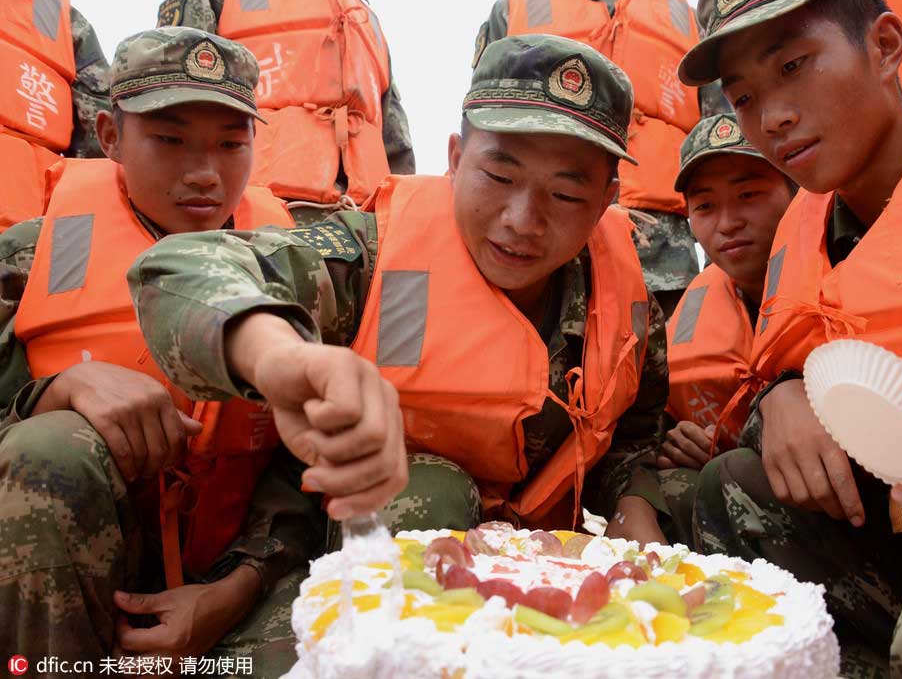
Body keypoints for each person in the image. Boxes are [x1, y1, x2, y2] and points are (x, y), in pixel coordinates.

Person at [129, 34, 674, 547]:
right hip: (370, 560)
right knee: (429, 490)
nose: (521, 221)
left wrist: (636, 510)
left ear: (606, 200)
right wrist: (279, 358)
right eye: (500, 178)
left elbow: (632, 437)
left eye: (565, 195)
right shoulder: (369, 257)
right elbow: (180, 268)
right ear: (455, 160)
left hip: (545, 564)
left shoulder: (624, 305)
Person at [0, 28, 406, 678]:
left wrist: (235, 588)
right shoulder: (28, 257)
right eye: (170, 140)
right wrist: (55, 392)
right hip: (78, 573)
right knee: (47, 449)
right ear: (108, 135)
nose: (204, 173)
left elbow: (302, 476)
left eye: (230, 143)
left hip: (245, 574)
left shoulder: (300, 259)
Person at [677, 0, 902, 676]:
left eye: (794, 66)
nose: (771, 117)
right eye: (744, 97)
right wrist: (782, 392)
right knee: (730, 486)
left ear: (886, 46)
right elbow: (796, 363)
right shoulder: (805, 237)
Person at [474, 0, 727, 316]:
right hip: (539, 233)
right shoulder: (514, 9)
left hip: (666, 253)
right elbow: (481, 129)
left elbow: (721, 145)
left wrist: (721, 269)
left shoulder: (690, 21)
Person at [657, 113, 795, 547]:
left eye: (749, 195)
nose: (728, 222)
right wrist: (676, 440)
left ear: (796, 192)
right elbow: (657, 426)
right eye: (705, 206)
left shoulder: (847, 274)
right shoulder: (693, 309)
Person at [156, 0, 415, 224]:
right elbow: (173, 101)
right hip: (260, 218)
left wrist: (398, 214)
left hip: (365, 222)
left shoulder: (363, 16)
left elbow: (394, 139)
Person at [0, 0, 110, 229]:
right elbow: (100, 142)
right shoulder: (58, 16)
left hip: (27, 234)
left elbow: (98, 134)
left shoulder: (60, 18)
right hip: (27, 232)